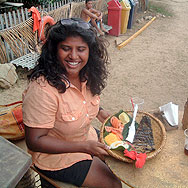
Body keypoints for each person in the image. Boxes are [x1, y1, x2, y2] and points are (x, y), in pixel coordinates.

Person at [22, 18, 122, 188]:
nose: (74, 56)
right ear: (54, 50)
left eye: (81, 49)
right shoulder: (42, 90)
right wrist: (84, 147)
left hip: (85, 136)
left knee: (122, 157)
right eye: (66, 49)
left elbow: (81, 101)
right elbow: (35, 141)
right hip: (56, 157)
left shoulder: (87, 74)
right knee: (113, 184)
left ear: (90, 51)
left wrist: (100, 111)